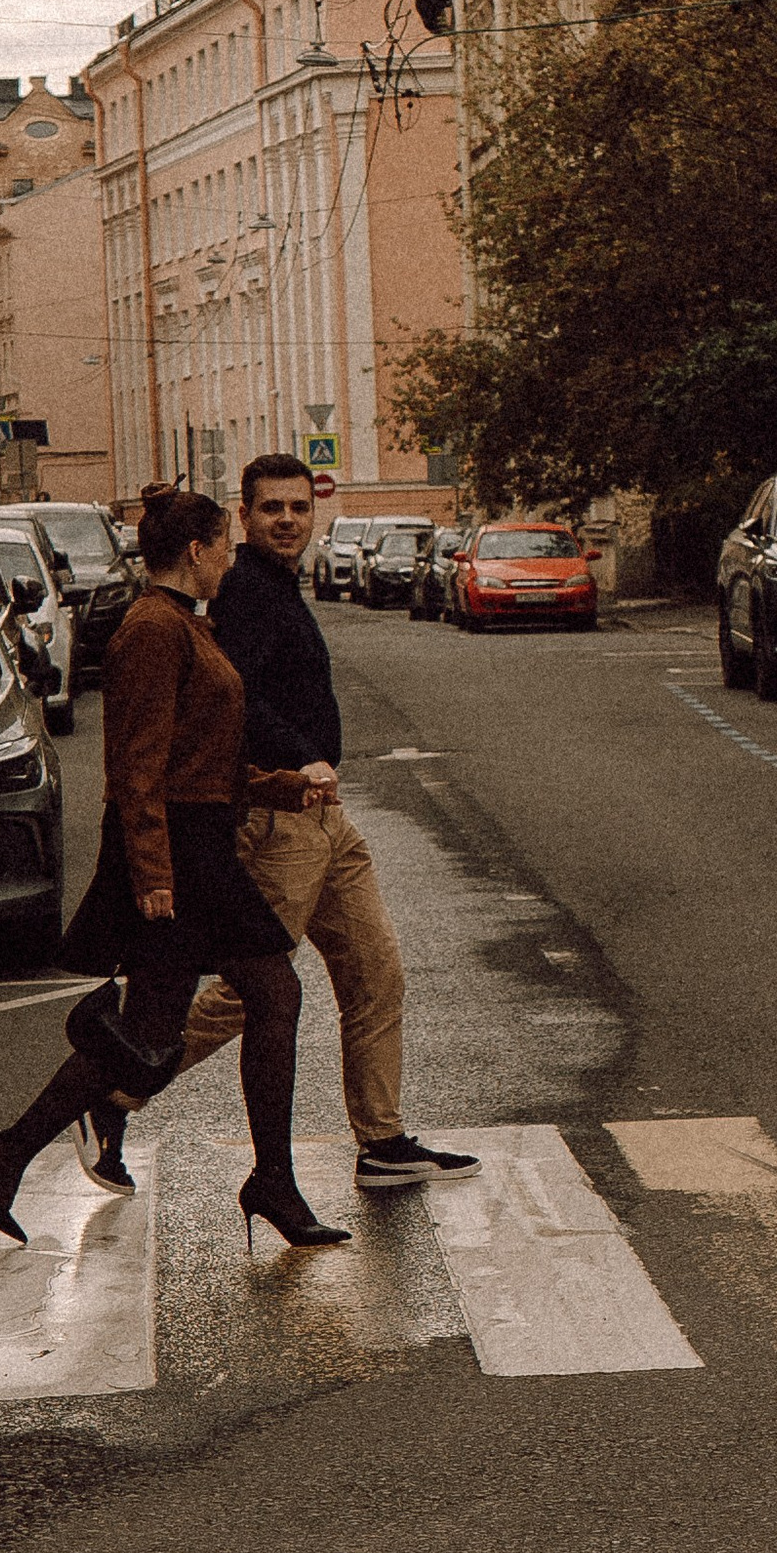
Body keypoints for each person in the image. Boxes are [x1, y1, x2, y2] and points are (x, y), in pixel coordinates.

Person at [0, 484, 349, 1251]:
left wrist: (280, 785)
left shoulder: (182, 625)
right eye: (223, 548)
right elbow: (136, 768)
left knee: (149, 1029)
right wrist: (152, 876)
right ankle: (273, 1180)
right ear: (197, 551)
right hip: (178, 849)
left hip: (195, 835)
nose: (229, 561)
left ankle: (8, 1150)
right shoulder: (152, 630)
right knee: (275, 991)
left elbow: (203, 754)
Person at [178, 452, 480, 1192]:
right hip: (284, 820)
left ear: (315, 514)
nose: (287, 520)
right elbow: (236, 699)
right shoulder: (248, 590)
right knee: (250, 989)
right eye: (271, 508)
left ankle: (381, 1142)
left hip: (325, 822)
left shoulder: (278, 586)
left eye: (298, 508)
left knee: (376, 974)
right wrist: (303, 757)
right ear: (243, 516)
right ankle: (115, 1085)